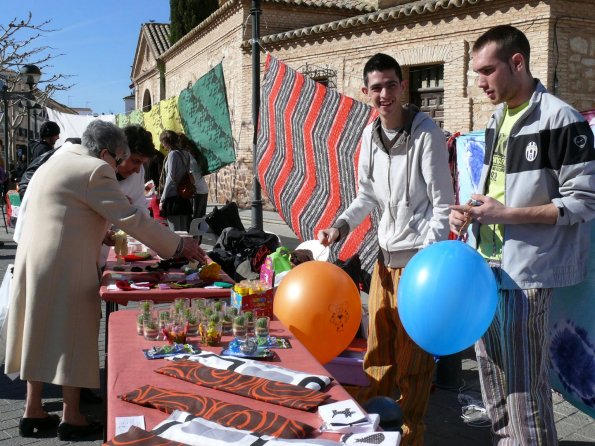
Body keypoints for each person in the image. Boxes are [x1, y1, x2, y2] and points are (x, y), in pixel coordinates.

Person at [4, 120, 206, 440]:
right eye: (118, 160)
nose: (118, 168)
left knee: (36, 330)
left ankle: (33, 412)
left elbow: (71, 211)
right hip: (65, 263)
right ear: (104, 153)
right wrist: (178, 244)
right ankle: (72, 418)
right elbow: (131, 218)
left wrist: (104, 234)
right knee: (75, 334)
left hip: (34, 258)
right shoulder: (95, 170)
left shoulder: (59, 158)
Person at [449, 25, 595, 445]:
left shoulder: (561, 119)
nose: (479, 83)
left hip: (527, 275)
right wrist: (472, 211)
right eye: (475, 73)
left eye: (486, 71)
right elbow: (497, 190)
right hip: (487, 268)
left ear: (517, 62)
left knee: (524, 389)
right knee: (492, 377)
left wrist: (506, 213)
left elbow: (584, 202)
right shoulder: (496, 121)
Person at [317, 53, 454, 446]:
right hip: (383, 261)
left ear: (402, 87)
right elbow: (365, 197)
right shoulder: (368, 136)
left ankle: (411, 434)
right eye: (376, 87)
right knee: (377, 349)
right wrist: (339, 226)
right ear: (365, 92)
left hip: (419, 264)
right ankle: (372, 429)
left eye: (391, 85)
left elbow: (442, 204)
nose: (384, 94)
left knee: (413, 359)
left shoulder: (425, 132)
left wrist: (426, 262)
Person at [158, 130, 193, 231]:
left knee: (175, 232)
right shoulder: (185, 153)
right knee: (183, 232)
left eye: (162, 142)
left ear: (166, 142)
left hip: (173, 197)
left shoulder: (172, 154)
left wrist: (163, 198)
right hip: (184, 195)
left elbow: (170, 177)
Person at [177, 132, 209, 219]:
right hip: (203, 188)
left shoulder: (188, 156)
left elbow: (192, 178)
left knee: (195, 220)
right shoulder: (194, 153)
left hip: (196, 191)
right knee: (201, 219)